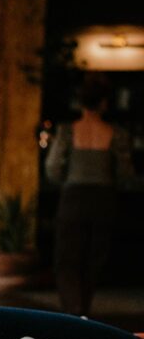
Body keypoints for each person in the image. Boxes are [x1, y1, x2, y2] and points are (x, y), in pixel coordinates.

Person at [45, 73, 135, 316]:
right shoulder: (116, 134)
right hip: (104, 200)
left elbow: (52, 168)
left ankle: (74, 313)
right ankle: (84, 310)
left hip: (73, 198)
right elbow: (126, 173)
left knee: (67, 262)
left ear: (81, 101)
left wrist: (69, 179)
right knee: (93, 261)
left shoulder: (67, 131)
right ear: (105, 102)